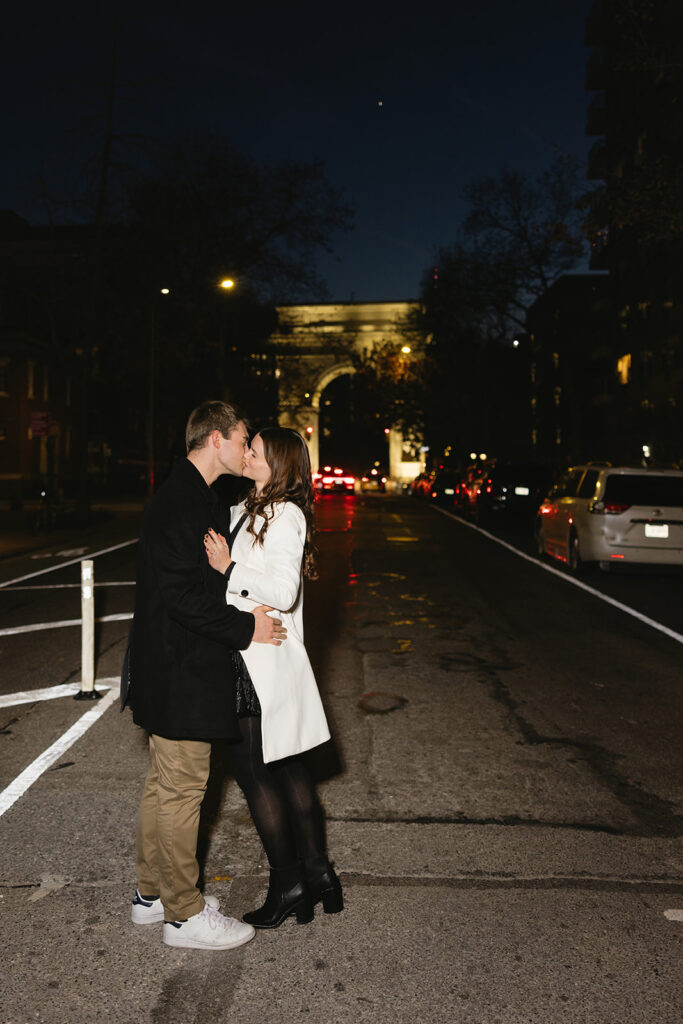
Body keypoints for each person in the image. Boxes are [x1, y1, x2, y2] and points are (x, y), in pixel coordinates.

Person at [125, 400, 288, 951]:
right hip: (180, 671)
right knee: (182, 790)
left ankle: (152, 896)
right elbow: (184, 599)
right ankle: (183, 915)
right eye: (242, 439)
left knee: (164, 785)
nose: (246, 449)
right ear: (216, 439)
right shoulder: (181, 503)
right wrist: (249, 629)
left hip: (175, 667)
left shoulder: (197, 496)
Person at [203, 426, 343, 929]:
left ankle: (288, 884)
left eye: (256, 450)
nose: (248, 453)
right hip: (254, 654)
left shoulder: (285, 514)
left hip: (261, 659)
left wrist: (229, 566)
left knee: (254, 770)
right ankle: (318, 872)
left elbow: (283, 591)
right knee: (287, 768)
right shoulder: (250, 508)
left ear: (277, 463)